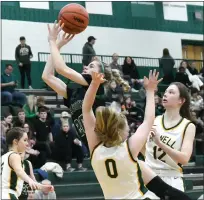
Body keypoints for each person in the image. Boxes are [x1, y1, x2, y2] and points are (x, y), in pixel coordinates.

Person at [82, 71, 191, 200]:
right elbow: (149, 120)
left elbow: (86, 109)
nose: (129, 130)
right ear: (120, 131)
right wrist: (150, 91)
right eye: (127, 126)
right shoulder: (129, 149)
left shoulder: (95, 149)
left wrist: (94, 84)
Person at [42, 21, 128, 150]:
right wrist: (57, 47)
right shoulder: (74, 94)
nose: (86, 68)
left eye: (91, 66)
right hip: (93, 147)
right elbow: (47, 77)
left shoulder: (95, 84)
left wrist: (53, 42)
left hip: (107, 144)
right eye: (87, 65)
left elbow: (61, 69)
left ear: (101, 75)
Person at [144, 82, 196, 199]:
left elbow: (184, 159)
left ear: (181, 101)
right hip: (150, 178)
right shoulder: (154, 120)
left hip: (172, 180)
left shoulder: (188, 126)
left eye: (171, 92)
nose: (165, 94)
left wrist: (160, 143)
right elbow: (143, 149)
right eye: (166, 91)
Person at [1, 127, 53, 199]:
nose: (27, 143)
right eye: (25, 140)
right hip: (8, 194)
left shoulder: (3, 157)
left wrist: (42, 187)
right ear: (15, 142)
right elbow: (19, 171)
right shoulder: (15, 155)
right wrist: (29, 180)